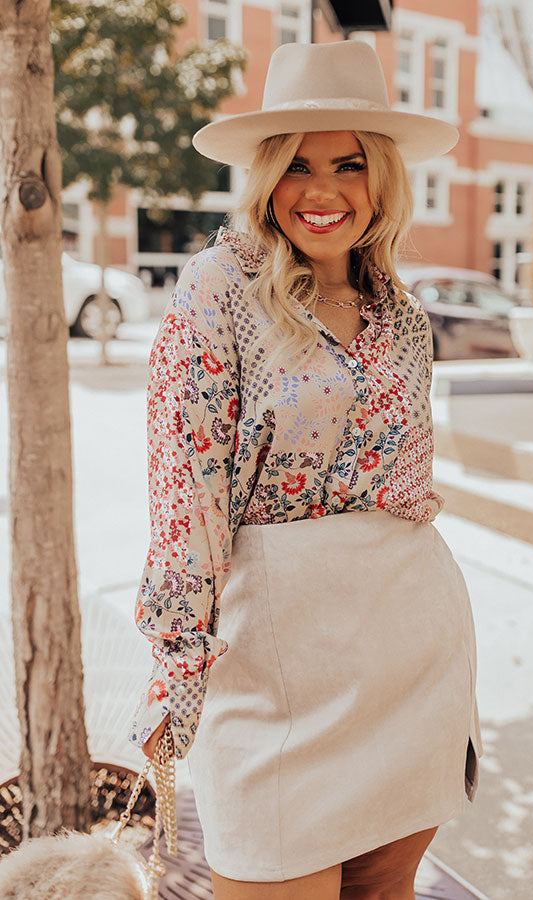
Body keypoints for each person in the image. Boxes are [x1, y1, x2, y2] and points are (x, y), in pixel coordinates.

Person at [128, 40, 483, 900]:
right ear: (265, 177)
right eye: (296, 165)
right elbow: (187, 493)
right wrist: (176, 668)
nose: (322, 192)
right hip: (271, 671)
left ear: (382, 178)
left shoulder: (402, 314)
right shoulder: (217, 289)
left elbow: (411, 489)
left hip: (411, 660)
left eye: (348, 164)